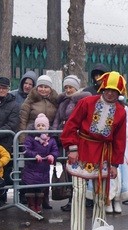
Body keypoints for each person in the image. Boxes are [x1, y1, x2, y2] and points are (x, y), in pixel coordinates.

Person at [60, 71, 128, 230]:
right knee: (79, 194)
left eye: (114, 91)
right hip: (81, 151)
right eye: (108, 89)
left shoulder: (121, 112)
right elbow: (71, 125)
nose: (110, 93)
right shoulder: (86, 103)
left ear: (119, 92)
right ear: (102, 88)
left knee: (100, 198)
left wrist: (114, 164)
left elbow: (119, 140)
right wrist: (71, 148)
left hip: (103, 155)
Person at [52, 75, 90, 212]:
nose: (68, 90)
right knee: (67, 169)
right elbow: (57, 118)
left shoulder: (82, 100)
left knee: (78, 170)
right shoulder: (63, 101)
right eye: (66, 87)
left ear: (76, 87)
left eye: (70, 87)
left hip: (77, 139)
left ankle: (80, 198)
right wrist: (55, 132)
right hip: (64, 138)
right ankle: (71, 198)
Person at [0, 76, 21, 208]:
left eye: (4, 88)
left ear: (8, 89)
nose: (1, 90)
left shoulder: (14, 105)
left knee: (4, 170)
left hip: (5, 143)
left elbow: (12, 124)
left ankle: (0, 198)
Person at [22, 114, 59, 213]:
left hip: (44, 168)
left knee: (40, 188)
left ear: (47, 127)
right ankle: (31, 205)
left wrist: (52, 156)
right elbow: (25, 149)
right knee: (31, 188)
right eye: (38, 125)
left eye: (43, 125)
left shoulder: (51, 140)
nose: (40, 127)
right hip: (32, 167)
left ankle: (38, 206)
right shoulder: (31, 138)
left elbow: (55, 150)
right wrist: (34, 155)